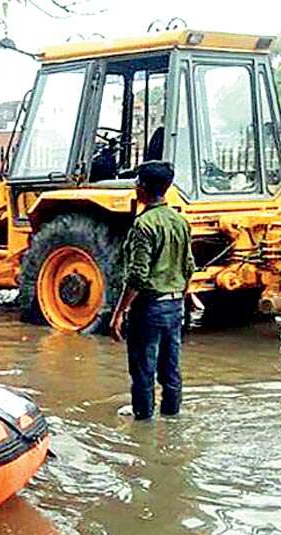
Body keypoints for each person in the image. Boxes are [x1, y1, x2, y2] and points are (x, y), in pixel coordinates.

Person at [108, 160, 194, 420]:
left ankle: (143, 420)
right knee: (171, 367)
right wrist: (183, 295)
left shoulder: (143, 226)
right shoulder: (180, 222)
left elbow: (137, 276)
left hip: (150, 307)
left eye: (137, 182)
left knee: (143, 368)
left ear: (142, 188)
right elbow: (189, 266)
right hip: (175, 305)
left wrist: (119, 313)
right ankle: (171, 415)